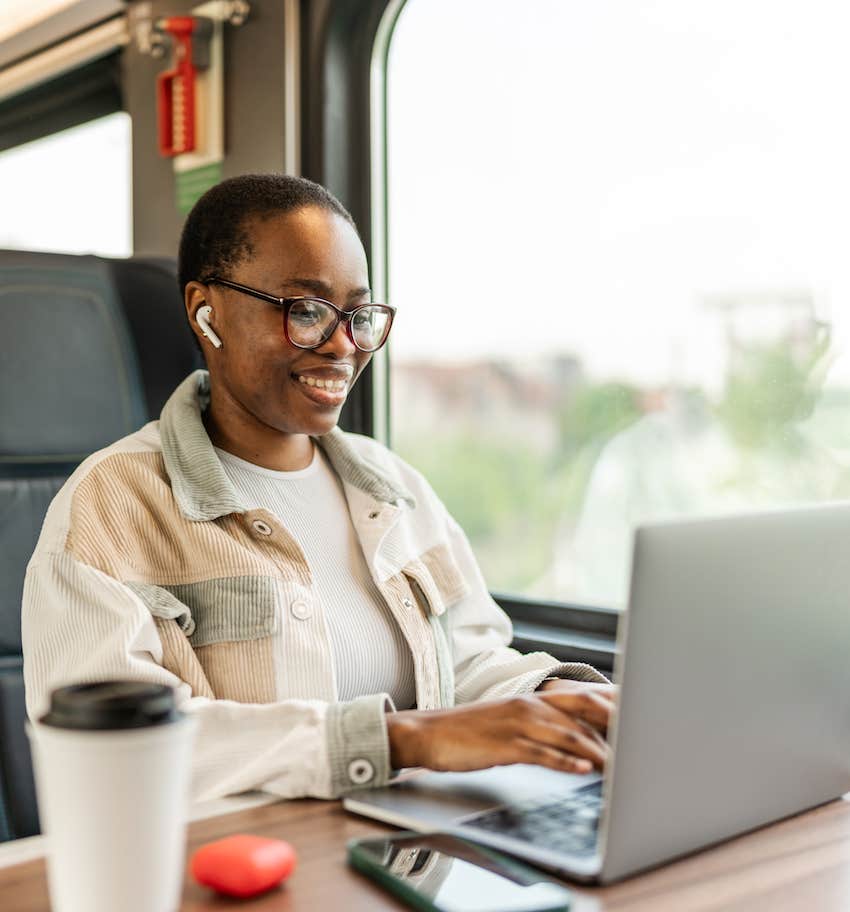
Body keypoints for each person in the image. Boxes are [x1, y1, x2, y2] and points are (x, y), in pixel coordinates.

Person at [22, 174, 614, 802]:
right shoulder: (108, 506)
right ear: (206, 311)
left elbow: (466, 664)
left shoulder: (393, 487)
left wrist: (561, 700)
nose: (342, 345)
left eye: (357, 315)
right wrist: (402, 740)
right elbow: (110, 755)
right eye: (305, 310)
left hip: (404, 857)